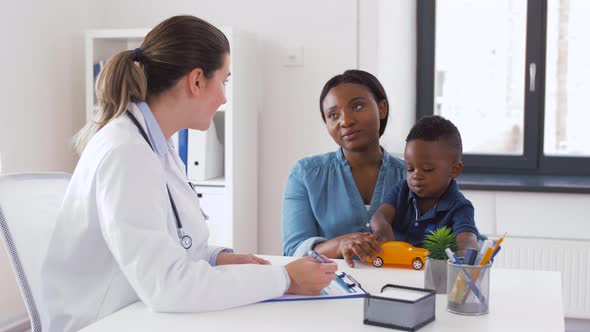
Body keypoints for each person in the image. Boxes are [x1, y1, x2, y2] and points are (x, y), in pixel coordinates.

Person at [40, 15, 336, 332]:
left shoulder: (156, 145)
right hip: (101, 321)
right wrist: (283, 278)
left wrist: (215, 258)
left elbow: (171, 245)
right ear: (196, 81)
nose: (224, 96)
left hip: (134, 307)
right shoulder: (126, 152)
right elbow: (167, 287)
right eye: (224, 81)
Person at [281, 70, 406, 267]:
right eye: (333, 115)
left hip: (400, 292)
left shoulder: (412, 177)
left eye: (357, 106)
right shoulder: (305, 174)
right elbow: (294, 253)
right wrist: (339, 245)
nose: (346, 121)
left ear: (382, 108)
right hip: (329, 291)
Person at [370, 115, 479, 256]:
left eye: (427, 169)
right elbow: (380, 216)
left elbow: (467, 237)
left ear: (455, 169)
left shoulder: (460, 207)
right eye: (410, 169)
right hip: (396, 269)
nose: (416, 175)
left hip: (434, 275)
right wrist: (382, 231)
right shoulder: (401, 190)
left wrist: (465, 257)